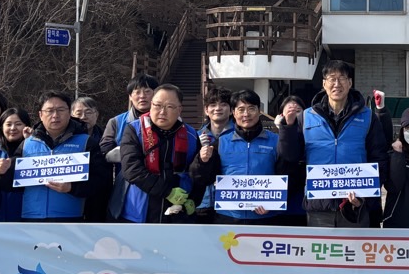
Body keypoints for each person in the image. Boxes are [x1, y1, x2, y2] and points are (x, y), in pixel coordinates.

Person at [277, 60, 392, 274]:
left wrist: (366, 188)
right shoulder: (305, 117)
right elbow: (288, 160)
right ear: (323, 84)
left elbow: (379, 157)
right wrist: (286, 129)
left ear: (350, 82)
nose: (336, 84)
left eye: (341, 78)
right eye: (330, 79)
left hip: (356, 208)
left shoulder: (368, 117)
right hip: (319, 210)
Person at [190, 89, 291, 225]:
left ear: (259, 110)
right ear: (233, 112)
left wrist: (273, 203)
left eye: (251, 109)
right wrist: (202, 161)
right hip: (228, 217)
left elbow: (287, 174)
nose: (246, 114)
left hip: (265, 218)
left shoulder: (275, 141)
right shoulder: (221, 143)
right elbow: (202, 178)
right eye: (241, 109)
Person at [119, 84, 204, 223]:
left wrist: (194, 199)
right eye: (157, 105)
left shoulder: (191, 135)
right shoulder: (134, 130)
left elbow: (197, 173)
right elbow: (131, 169)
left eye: (169, 107)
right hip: (141, 211)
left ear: (179, 110)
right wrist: (167, 192)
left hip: (179, 211)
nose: (162, 112)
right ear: (151, 105)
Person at [19, 91, 104, 223]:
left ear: (69, 112)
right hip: (31, 218)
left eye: (60, 110)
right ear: (41, 115)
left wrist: (72, 188)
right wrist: (1, 173)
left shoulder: (86, 142)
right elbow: (9, 183)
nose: (55, 115)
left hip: (71, 218)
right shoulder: (26, 144)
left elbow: (100, 180)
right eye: (50, 110)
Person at [100, 74, 157, 221]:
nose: (142, 96)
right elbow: (104, 152)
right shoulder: (116, 122)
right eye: (137, 92)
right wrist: (135, 154)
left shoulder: (167, 121)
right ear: (130, 96)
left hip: (158, 186)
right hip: (126, 189)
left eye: (147, 91)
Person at [194, 86, 235, 223]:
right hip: (202, 203)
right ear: (206, 110)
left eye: (223, 104)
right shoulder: (196, 136)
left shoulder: (240, 136)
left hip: (231, 203)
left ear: (231, 110)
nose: (218, 108)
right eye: (212, 105)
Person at [0, 107, 31, 222]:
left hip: (26, 213)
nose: (13, 128)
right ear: (1, 127)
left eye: (18, 124)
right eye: (8, 124)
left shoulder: (34, 149)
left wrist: (30, 142)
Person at [71, 96, 108, 221]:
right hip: (72, 191)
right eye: (79, 113)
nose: (83, 116)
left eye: (88, 112)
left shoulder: (106, 137)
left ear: (96, 114)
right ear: (71, 115)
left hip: (99, 191)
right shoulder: (67, 137)